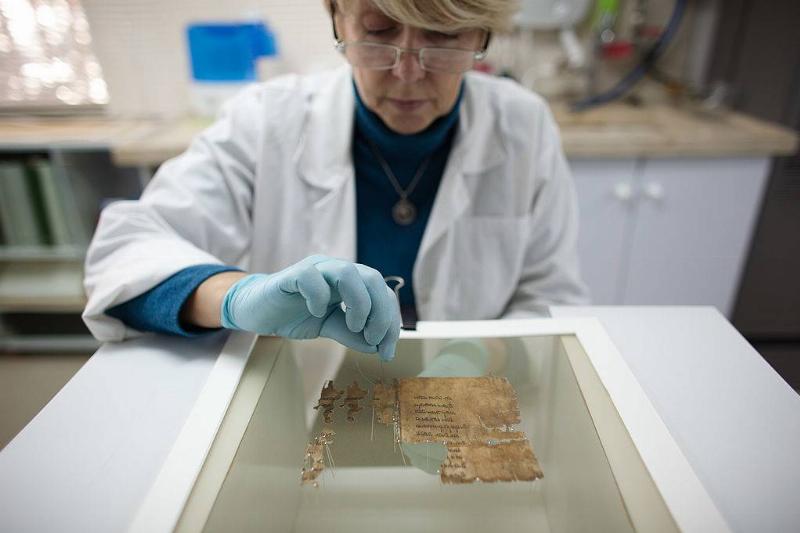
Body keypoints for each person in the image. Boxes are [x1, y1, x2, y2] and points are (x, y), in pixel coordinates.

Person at [82, 0, 588, 362]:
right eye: (379, 30)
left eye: (443, 37)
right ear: (337, 19)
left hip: (473, 404)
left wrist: (479, 355)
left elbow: (552, 295)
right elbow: (126, 251)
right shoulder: (267, 120)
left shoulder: (522, 126)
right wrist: (237, 298)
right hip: (301, 401)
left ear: (482, 37)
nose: (407, 72)